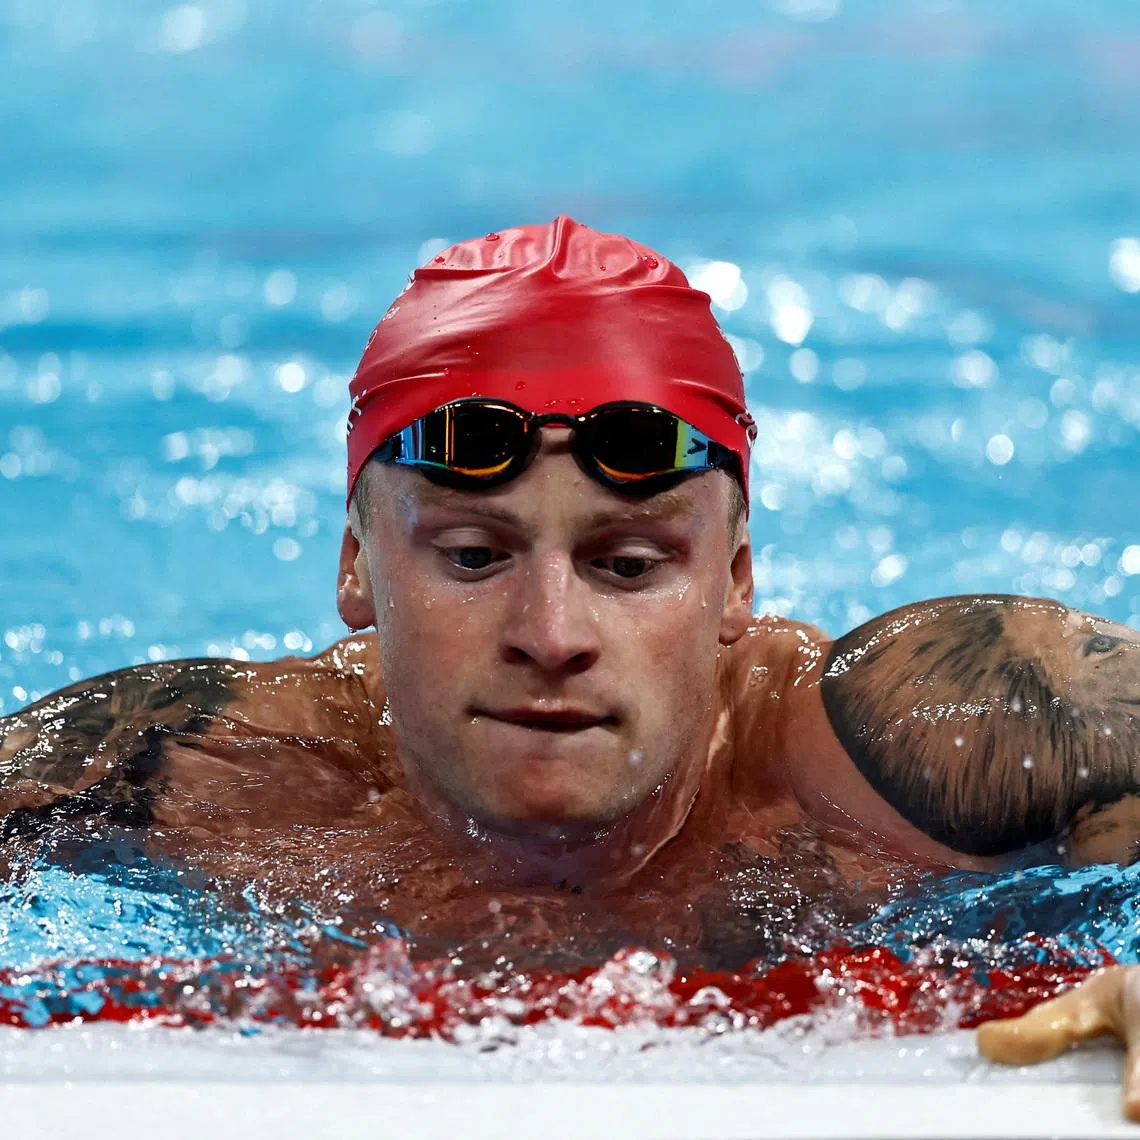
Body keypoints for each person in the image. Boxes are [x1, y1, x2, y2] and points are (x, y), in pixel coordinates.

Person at [2, 216, 1139, 1108]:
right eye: (471, 554)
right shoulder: (210, 765)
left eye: (632, 564)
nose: (551, 633)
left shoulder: (910, 737)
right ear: (356, 566)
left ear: (737, 581)